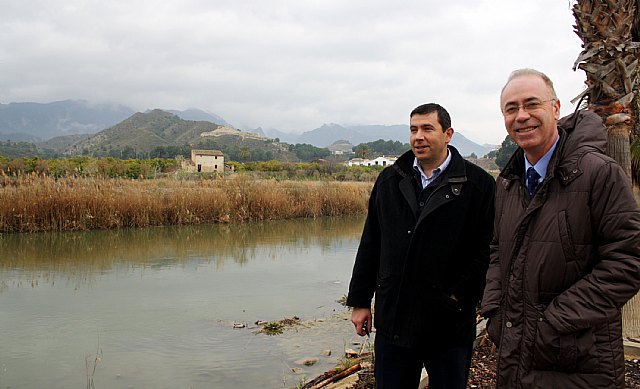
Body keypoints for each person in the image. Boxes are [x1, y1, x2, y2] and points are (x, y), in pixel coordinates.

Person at [481, 68, 640, 388]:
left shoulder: (598, 173)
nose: (521, 115)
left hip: (580, 360)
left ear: (555, 108)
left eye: (531, 104)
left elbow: (630, 259)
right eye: (511, 109)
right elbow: (497, 249)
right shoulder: (508, 183)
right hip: (515, 355)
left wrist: (552, 321)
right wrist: (494, 311)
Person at [346, 103, 496, 389]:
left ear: (448, 134)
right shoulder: (391, 180)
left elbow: (488, 250)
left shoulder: (478, 185)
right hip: (395, 319)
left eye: (428, 129)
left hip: (449, 324)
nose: (419, 137)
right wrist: (361, 301)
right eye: (414, 129)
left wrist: (459, 297)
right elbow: (371, 243)